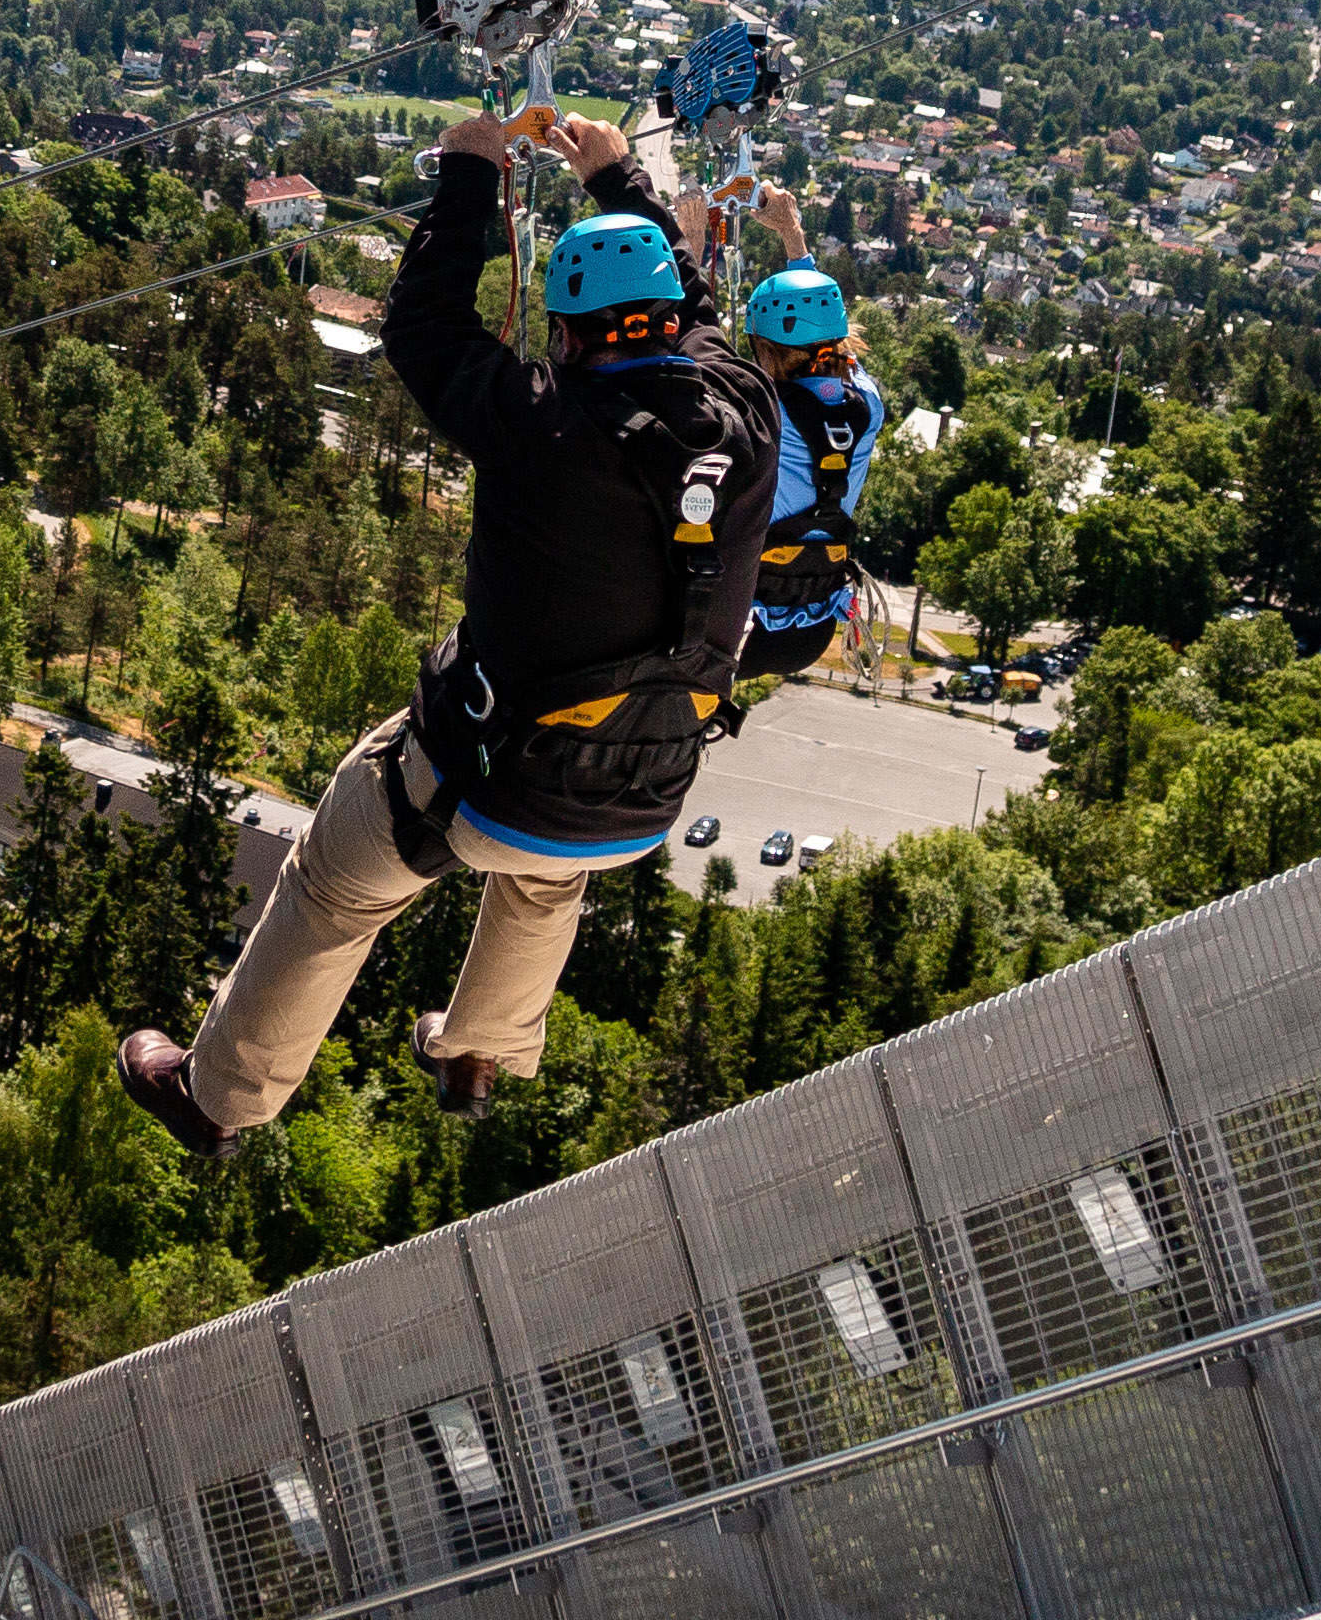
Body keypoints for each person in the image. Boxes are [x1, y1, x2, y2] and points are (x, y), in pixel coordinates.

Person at [124, 107, 775, 1144]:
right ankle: (481, 1049)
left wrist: (472, 168)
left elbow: (423, 324)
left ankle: (217, 1099)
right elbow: (692, 308)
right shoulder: (746, 411)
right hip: (642, 790)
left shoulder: (539, 425)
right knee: (545, 874)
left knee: (336, 884)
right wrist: (619, 181)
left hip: (488, 775)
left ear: (563, 333)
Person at [726, 235, 883, 694]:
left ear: (766, 351)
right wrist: (796, 243)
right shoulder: (868, 406)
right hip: (811, 634)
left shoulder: (758, 410)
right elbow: (838, 342)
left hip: (737, 628)